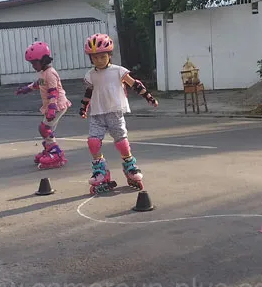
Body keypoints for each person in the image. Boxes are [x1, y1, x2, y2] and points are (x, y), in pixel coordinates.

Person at [79, 33, 159, 194]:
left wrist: (148, 97)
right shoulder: (90, 75)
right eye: (95, 58)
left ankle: (130, 167)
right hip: (97, 113)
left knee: (122, 142)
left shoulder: (118, 71)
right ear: (90, 59)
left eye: (102, 56)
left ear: (109, 55)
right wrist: (84, 107)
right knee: (93, 143)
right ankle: (101, 171)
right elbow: (89, 92)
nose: (99, 60)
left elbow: (134, 84)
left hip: (114, 112)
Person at [14, 41, 72, 169]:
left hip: (57, 104)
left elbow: (53, 92)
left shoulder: (50, 73)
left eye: (34, 63)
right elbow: (37, 84)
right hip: (53, 105)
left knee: (44, 129)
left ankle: (55, 153)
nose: (33, 66)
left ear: (43, 60)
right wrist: (25, 89)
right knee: (47, 130)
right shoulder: (44, 73)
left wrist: (51, 109)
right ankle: (49, 150)